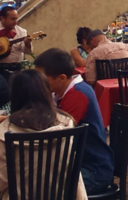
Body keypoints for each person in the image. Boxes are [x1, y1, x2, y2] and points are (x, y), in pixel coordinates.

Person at [34, 49, 113, 195]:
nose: (38, 83)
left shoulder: (77, 94)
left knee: (41, 186)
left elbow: (58, 136)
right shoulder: (59, 94)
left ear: (61, 78)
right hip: (79, 164)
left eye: (42, 78)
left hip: (93, 171)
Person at [0, 69, 88, 200]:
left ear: (15, 95)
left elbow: (2, 181)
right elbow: (72, 170)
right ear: (46, 92)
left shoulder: (5, 131)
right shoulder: (66, 123)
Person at [0, 7, 33, 82]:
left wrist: (27, 44)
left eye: (16, 19)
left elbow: (27, 52)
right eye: (12, 19)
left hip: (16, 70)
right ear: (2, 18)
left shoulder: (21, 32)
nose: (15, 22)